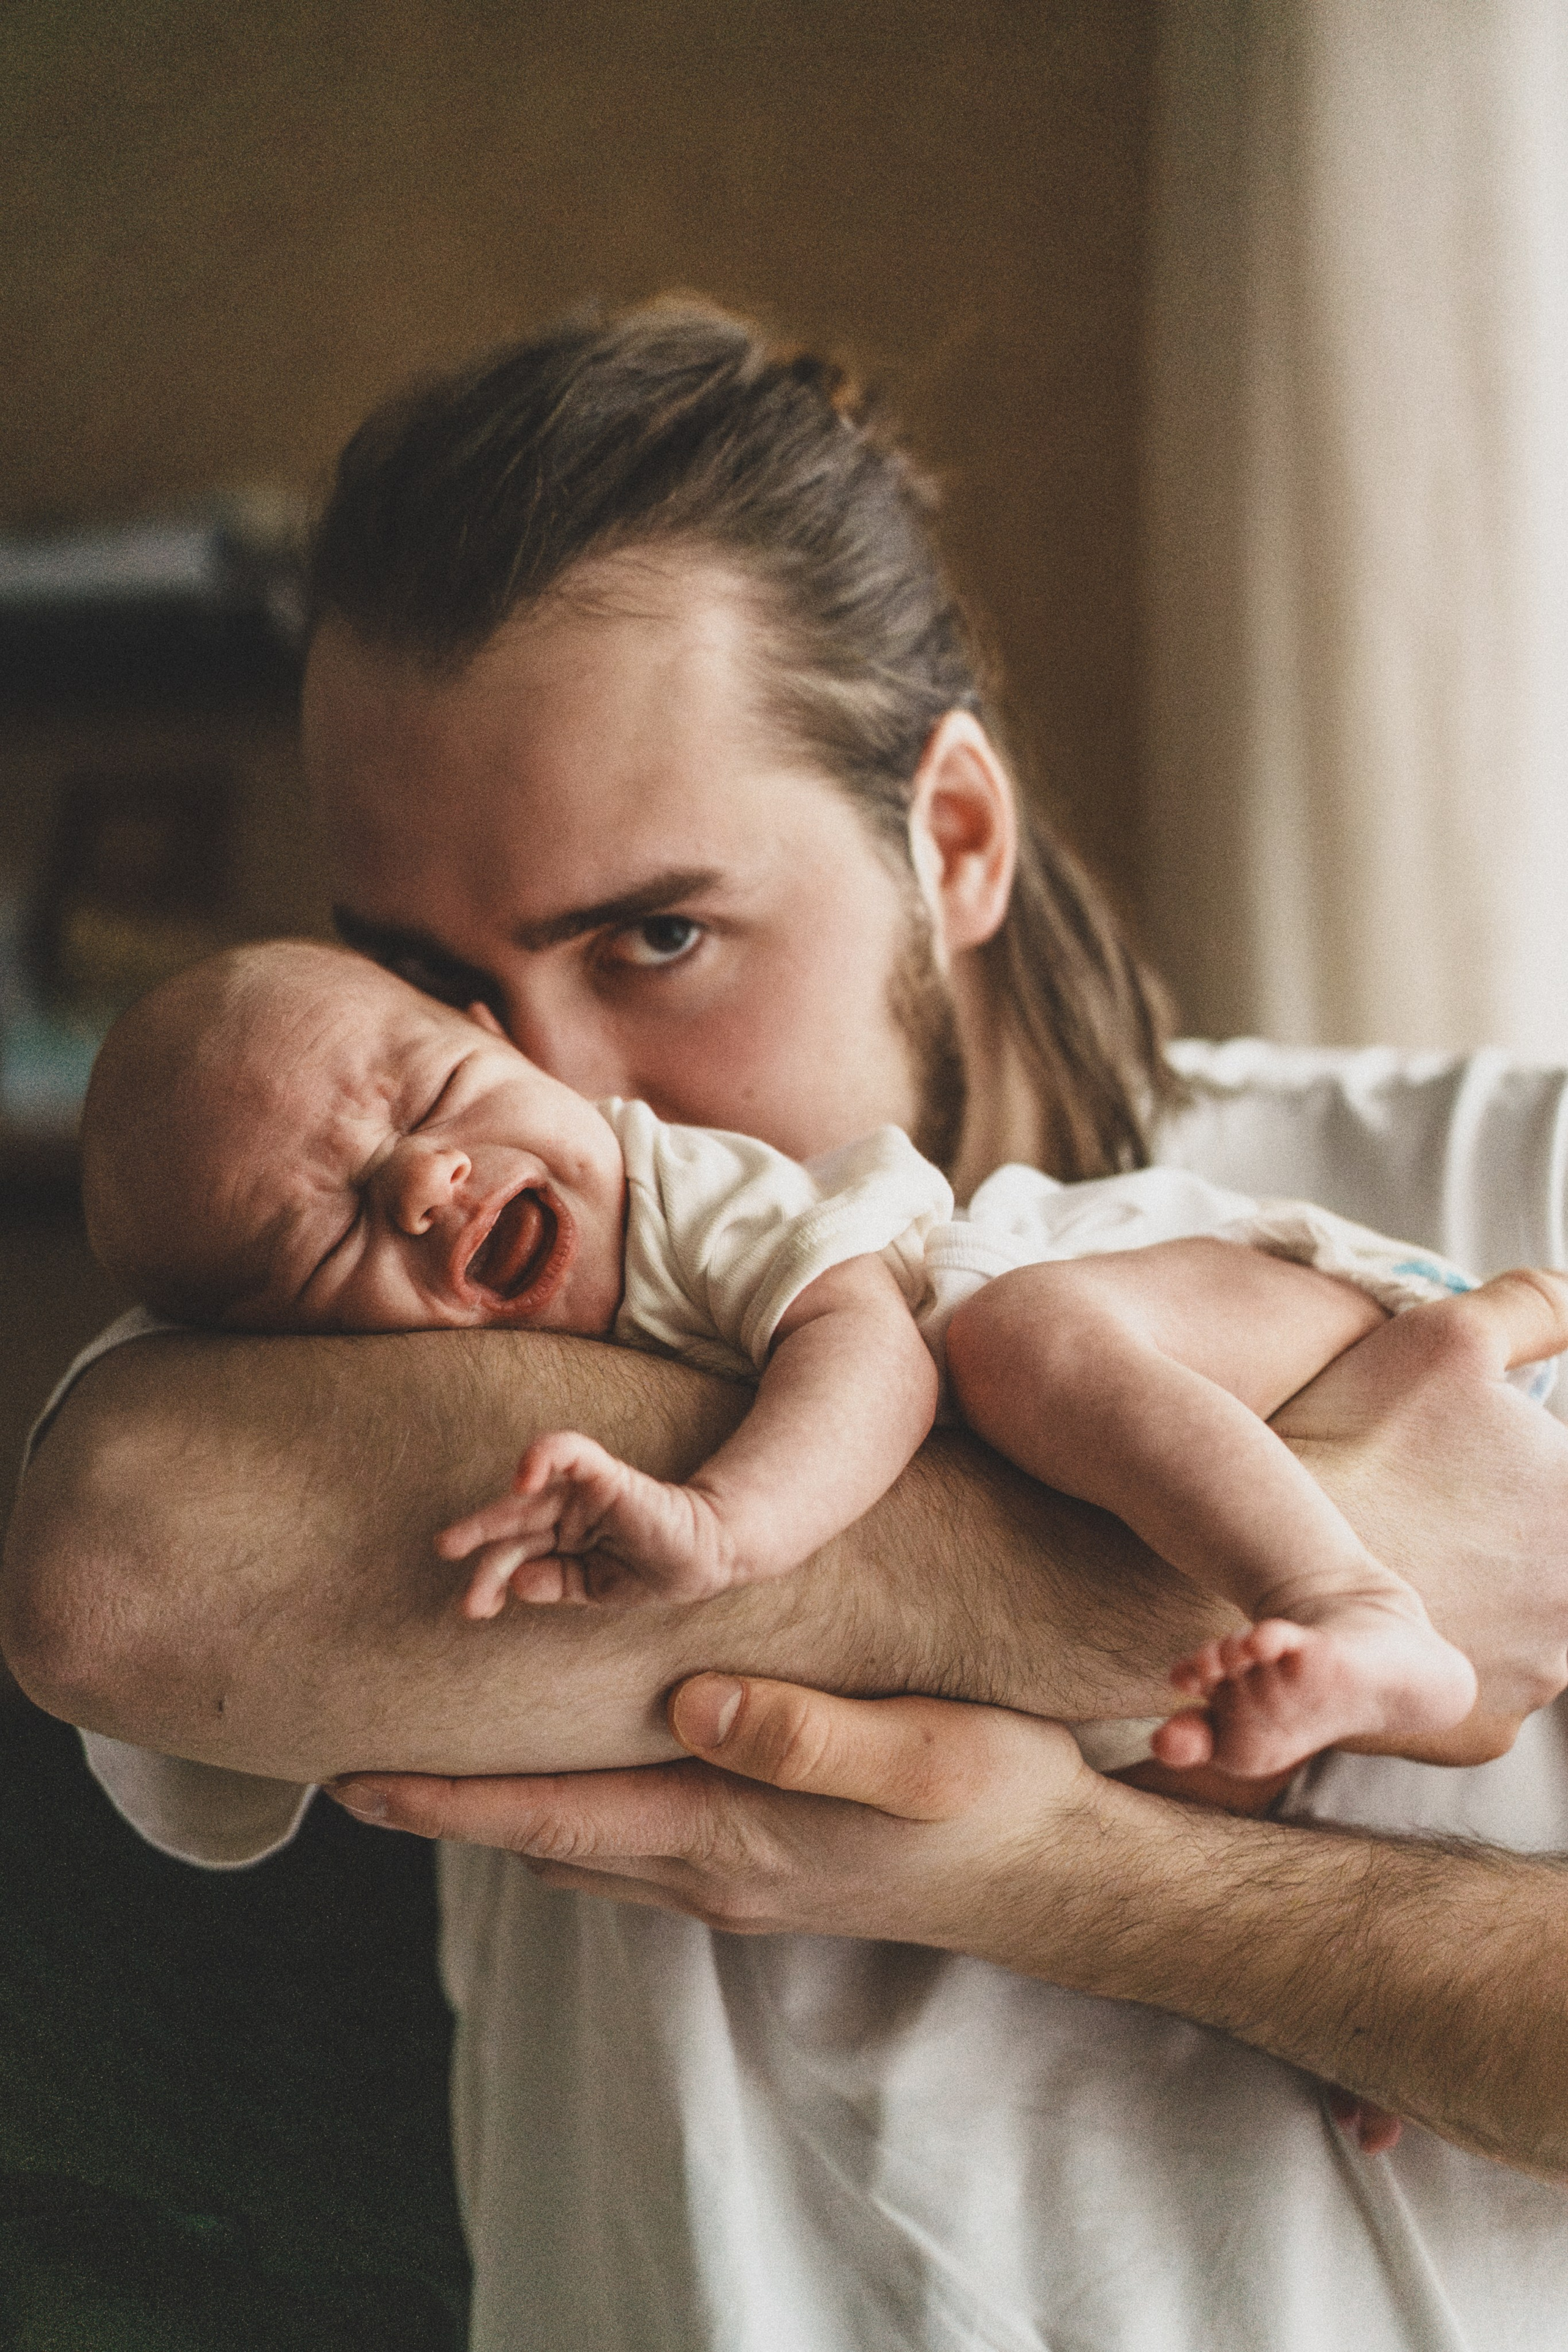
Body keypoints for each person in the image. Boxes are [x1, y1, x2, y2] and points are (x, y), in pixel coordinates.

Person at [9, 301, 1568, 2350]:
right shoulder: (348, 1274)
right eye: (416, 980)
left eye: (656, 937)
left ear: (956, 841)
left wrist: (1109, 1888)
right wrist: (1285, 1580)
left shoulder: (1489, 1192)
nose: (546, 1090)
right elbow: (120, 1574)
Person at [85, 937, 1545, 1779]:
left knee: (1012, 1340)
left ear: (518, 1052)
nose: (421, 1185)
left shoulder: (680, 1194)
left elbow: (875, 1361)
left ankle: (1358, 1604)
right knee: (1196, 1745)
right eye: (327, 1239)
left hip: (1262, 1314)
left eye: (441, 1095)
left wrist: (727, 1526)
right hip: (1248, 1452)